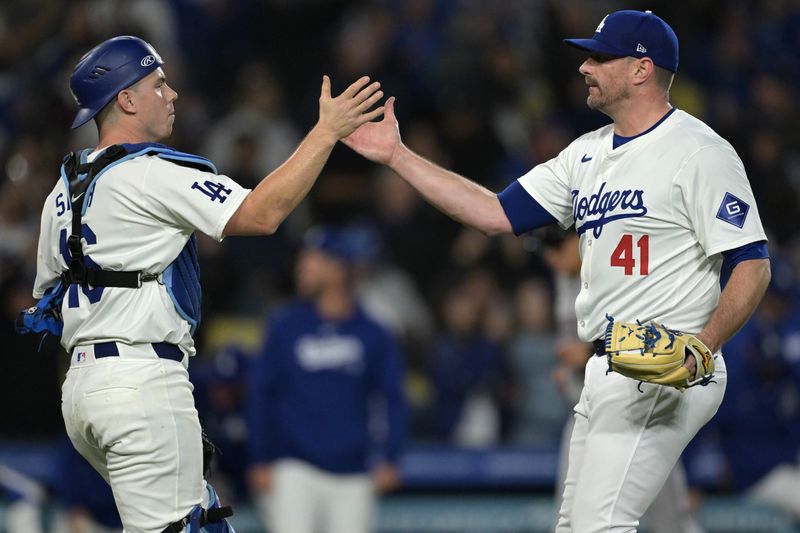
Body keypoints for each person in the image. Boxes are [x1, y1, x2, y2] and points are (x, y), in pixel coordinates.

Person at [343, 9, 772, 531]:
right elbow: (494, 213)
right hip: (605, 365)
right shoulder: (585, 154)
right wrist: (398, 156)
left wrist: (704, 346)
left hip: (666, 364)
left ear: (641, 69)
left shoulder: (699, 151)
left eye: (599, 56)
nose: (584, 68)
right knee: (574, 527)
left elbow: (751, 264)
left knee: (599, 526)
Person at [26, 35, 384, 533]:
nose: (171, 94)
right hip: (141, 380)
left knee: (205, 523)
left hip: (82, 390)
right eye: (159, 84)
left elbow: (46, 300)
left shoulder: (60, 192)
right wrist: (325, 132)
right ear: (126, 99)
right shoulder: (151, 171)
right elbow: (263, 213)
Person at [246, 226, 407, 533]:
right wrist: (260, 458)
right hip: (294, 465)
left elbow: (393, 398)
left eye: (312, 260)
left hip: (354, 469)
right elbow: (261, 394)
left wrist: (391, 456)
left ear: (338, 268)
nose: (301, 267)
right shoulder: (284, 326)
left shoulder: (373, 332)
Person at [542, 227, 703, 533]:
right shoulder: (567, 278)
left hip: (641, 406)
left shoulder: (621, 264)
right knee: (570, 518)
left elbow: (661, 337)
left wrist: (590, 351)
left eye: (555, 247)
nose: (550, 258)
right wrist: (571, 367)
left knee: (672, 524)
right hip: (589, 410)